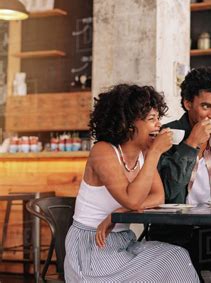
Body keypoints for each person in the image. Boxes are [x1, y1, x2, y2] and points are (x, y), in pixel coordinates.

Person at [64, 84, 199, 282]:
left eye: (158, 119)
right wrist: (155, 152)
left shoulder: (143, 154)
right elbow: (133, 201)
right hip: (92, 247)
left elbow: (158, 196)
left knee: (177, 256)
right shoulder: (103, 151)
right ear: (128, 124)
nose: (158, 125)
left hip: (124, 242)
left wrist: (117, 214)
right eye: (151, 119)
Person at [148, 66, 211, 283]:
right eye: (206, 106)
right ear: (187, 103)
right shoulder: (167, 136)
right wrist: (191, 144)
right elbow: (167, 192)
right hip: (177, 235)